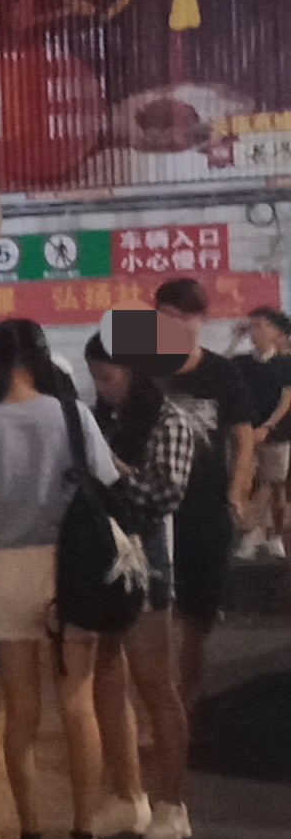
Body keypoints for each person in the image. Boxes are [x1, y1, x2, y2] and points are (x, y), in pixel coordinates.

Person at [0, 320, 118, 839]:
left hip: (8, 570)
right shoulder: (74, 415)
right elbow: (105, 481)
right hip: (71, 568)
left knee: (20, 712)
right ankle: (84, 836)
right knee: (77, 704)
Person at [85, 335, 196, 839]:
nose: (101, 387)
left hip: (146, 562)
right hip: (100, 561)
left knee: (155, 684)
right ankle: (127, 796)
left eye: (107, 376)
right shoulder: (100, 418)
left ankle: (172, 804)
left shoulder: (169, 420)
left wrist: (112, 476)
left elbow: (165, 492)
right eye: (96, 377)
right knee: (107, 679)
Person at [153, 278, 256, 712]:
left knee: (197, 616)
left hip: (207, 507)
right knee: (155, 613)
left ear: (202, 320)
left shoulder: (222, 373)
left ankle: (186, 700)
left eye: (185, 317)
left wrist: (236, 495)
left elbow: (243, 438)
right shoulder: (144, 370)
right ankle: (161, 704)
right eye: (167, 316)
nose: (176, 325)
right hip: (155, 508)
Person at [228, 307, 291, 560]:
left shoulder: (285, 362)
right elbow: (220, 370)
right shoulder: (242, 362)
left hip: (277, 433)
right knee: (249, 484)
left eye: (260, 326)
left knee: (273, 485)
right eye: (251, 327)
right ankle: (254, 534)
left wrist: (268, 426)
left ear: (275, 331)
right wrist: (236, 338)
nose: (255, 332)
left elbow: (287, 398)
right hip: (246, 433)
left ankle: (269, 535)